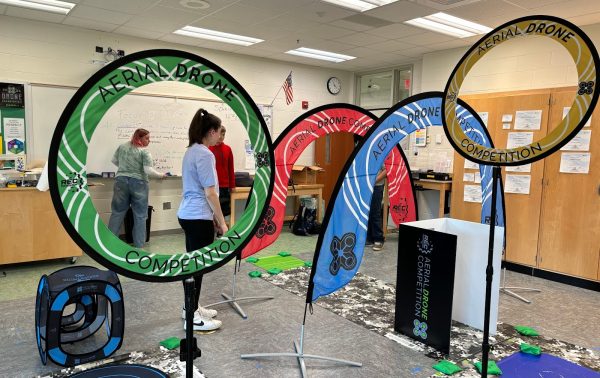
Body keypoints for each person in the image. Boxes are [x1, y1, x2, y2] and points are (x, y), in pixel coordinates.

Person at [177, 109, 227, 331]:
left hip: (189, 214)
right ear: (211, 131)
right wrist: (222, 221)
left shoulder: (191, 151)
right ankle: (191, 316)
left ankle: (192, 306)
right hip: (197, 216)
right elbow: (210, 193)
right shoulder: (205, 154)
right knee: (197, 266)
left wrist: (212, 218)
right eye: (218, 132)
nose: (220, 136)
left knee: (194, 264)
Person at [107, 128, 166, 248]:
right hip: (139, 183)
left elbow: (114, 161)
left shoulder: (122, 147)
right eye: (147, 138)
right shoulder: (144, 152)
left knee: (117, 212)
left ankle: (110, 243)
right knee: (140, 215)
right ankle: (139, 245)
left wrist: (125, 169)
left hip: (121, 181)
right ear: (139, 138)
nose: (149, 141)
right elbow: (148, 170)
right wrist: (161, 175)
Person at [208, 125, 235, 218]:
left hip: (224, 186)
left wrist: (232, 185)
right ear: (214, 134)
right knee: (211, 211)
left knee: (223, 212)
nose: (221, 137)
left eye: (223, 135)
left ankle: (221, 232)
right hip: (212, 185)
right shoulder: (208, 149)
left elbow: (230, 168)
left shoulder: (228, 149)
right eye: (219, 134)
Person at [367, 166, 386, 251]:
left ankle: (378, 239)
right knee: (367, 212)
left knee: (375, 213)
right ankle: (370, 238)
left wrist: (374, 180)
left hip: (377, 186)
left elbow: (386, 170)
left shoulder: (380, 152)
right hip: (366, 185)